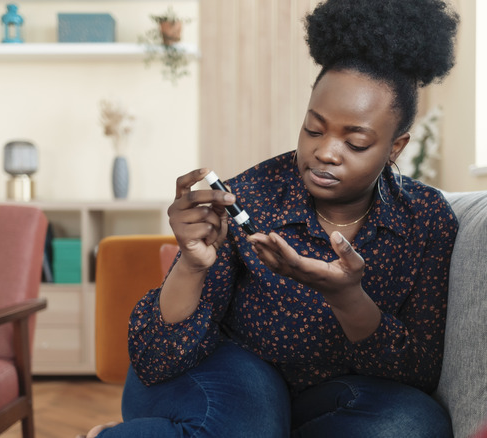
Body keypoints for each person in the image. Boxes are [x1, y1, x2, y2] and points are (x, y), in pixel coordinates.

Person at [81, 0, 459, 436]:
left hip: (329, 396)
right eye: (313, 129)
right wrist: (191, 264)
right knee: (252, 423)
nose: (325, 151)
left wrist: (348, 298)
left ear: (396, 147)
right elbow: (158, 357)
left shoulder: (426, 220)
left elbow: (418, 371)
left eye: (355, 142)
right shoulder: (251, 196)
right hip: (224, 374)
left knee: (414, 426)